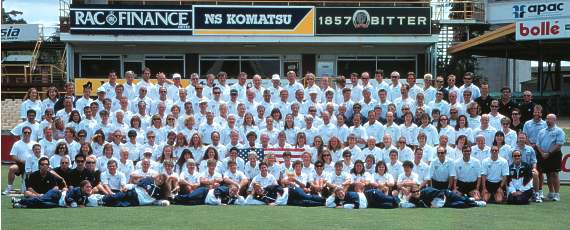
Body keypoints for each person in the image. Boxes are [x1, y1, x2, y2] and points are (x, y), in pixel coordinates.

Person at [536, 114, 565, 201]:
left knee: (554, 174)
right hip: (543, 155)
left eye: (550, 119)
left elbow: (559, 144)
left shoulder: (559, 131)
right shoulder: (542, 131)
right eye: (547, 119)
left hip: (554, 155)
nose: (547, 121)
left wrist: (548, 153)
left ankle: (557, 194)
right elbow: (538, 144)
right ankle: (551, 193)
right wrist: (542, 153)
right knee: (548, 174)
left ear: (554, 120)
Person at [100, 174, 170, 207]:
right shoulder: (148, 180)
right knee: (116, 196)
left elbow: (158, 201)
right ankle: (101, 199)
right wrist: (126, 187)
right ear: (157, 177)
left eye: (162, 180)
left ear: (163, 183)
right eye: (159, 178)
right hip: (132, 192)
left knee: (120, 204)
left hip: (137, 201)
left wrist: (164, 202)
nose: (160, 180)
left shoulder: (160, 191)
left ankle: (104, 203)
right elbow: (134, 185)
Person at [4, 126, 37, 195]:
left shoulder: (35, 144)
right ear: (22, 133)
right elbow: (13, 156)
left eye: (28, 132)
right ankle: (9, 187)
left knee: (24, 190)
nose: (27, 134)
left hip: (32, 165)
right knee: (12, 168)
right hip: (20, 164)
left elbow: (38, 154)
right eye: (25, 132)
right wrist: (21, 161)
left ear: (31, 133)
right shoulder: (17, 144)